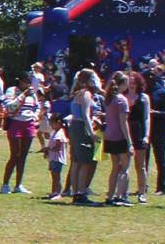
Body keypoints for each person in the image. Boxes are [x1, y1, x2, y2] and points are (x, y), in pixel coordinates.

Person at [68, 69, 102, 205]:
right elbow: (86, 115)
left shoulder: (78, 93)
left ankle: (75, 193)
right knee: (85, 162)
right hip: (81, 128)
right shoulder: (86, 94)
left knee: (76, 162)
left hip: (75, 127)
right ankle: (81, 193)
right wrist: (91, 133)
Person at [102, 71, 135, 207]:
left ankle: (110, 195)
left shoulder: (109, 99)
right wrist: (129, 142)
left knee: (115, 167)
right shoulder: (121, 100)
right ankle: (121, 196)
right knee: (125, 167)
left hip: (109, 136)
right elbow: (123, 122)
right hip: (119, 137)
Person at [1, 77, 38, 194]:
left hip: (29, 124)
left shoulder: (32, 93)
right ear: (20, 81)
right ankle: (5, 184)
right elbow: (9, 107)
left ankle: (18, 185)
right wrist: (23, 95)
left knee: (23, 155)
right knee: (15, 155)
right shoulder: (12, 91)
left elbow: (37, 106)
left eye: (29, 82)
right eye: (26, 82)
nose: (28, 84)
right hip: (15, 123)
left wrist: (35, 116)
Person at [125, 71, 151, 203]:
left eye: (133, 82)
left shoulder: (144, 98)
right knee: (124, 165)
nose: (131, 85)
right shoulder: (123, 97)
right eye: (129, 82)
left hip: (139, 132)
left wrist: (147, 135)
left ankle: (142, 193)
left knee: (140, 166)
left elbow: (147, 117)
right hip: (125, 132)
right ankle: (123, 192)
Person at [149, 73, 165, 196]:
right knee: (143, 159)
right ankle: (142, 186)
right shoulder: (143, 91)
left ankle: (161, 186)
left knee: (160, 158)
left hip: (158, 128)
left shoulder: (163, 93)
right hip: (145, 128)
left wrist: (156, 113)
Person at [45, 114, 68, 200]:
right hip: (52, 158)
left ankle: (56, 192)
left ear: (58, 122)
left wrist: (48, 149)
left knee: (56, 176)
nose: (50, 125)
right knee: (53, 175)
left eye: (52, 123)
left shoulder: (60, 133)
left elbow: (57, 148)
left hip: (57, 158)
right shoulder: (54, 132)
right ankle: (55, 191)